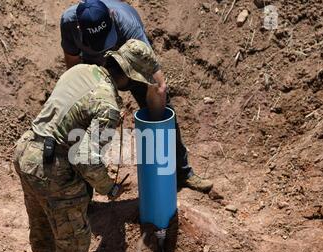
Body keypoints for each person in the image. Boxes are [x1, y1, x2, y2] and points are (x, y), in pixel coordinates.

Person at [13, 40, 160, 252]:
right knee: (75, 234)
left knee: (41, 217)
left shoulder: (79, 71)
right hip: (53, 169)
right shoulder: (107, 106)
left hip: (27, 153)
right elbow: (84, 158)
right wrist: (109, 187)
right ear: (127, 76)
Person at [60, 0, 213, 192]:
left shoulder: (128, 27)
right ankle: (85, 187)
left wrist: (157, 126)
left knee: (164, 111)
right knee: (83, 121)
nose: (102, 46)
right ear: (79, 28)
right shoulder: (69, 22)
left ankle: (181, 173)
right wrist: (93, 102)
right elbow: (74, 67)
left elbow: (157, 84)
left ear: (111, 17)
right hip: (95, 69)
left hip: (131, 64)